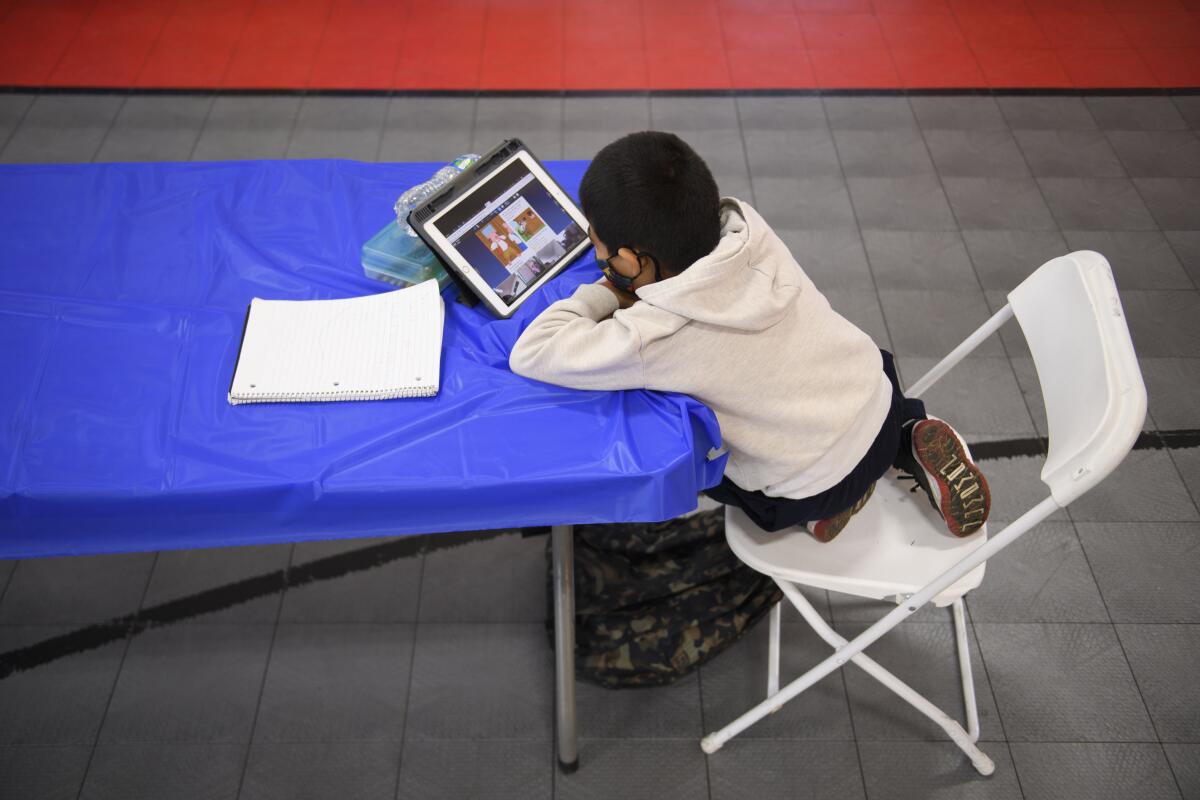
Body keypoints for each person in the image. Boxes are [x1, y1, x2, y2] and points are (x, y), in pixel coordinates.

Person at [508, 131, 990, 687]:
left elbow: (535, 352)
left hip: (812, 481)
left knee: (713, 472)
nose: (596, 256)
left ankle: (828, 508)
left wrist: (607, 293)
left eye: (601, 247)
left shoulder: (655, 332)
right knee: (852, 368)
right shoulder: (748, 233)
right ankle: (910, 435)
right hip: (876, 393)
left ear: (638, 260)